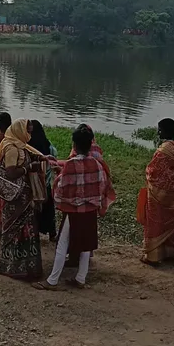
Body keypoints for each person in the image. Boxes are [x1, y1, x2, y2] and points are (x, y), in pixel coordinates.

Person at [36, 124, 112, 290]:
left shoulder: (70, 165)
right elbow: (102, 185)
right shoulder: (97, 164)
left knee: (62, 243)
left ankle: (53, 280)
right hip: (90, 210)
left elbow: (61, 188)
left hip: (74, 211)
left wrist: (59, 175)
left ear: (75, 145)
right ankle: (80, 278)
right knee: (86, 244)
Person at [0, 117, 45, 281]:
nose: (29, 134)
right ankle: (13, 267)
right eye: (27, 131)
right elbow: (10, 172)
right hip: (16, 197)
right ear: (20, 131)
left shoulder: (21, 146)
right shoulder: (11, 148)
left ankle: (27, 266)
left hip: (24, 196)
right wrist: (28, 168)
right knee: (17, 230)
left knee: (27, 229)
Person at [141, 118, 174, 266]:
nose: (158, 132)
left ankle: (153, 256)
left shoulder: (163, 151)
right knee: (170, 221)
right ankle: (170, 252)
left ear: (166, 131)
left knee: (156, 221)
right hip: (173, 192)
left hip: (158, 193)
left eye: (160, 129)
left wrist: (147, 172)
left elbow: (153, 171)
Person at [28, 120, 59, 240]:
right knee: (48, 209)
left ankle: (33, 233)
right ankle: (52, 234)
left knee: (33, 211)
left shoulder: (28, 147)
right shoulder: (48, 146)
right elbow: (54, 157)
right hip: (45, 184)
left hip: (32, 184)